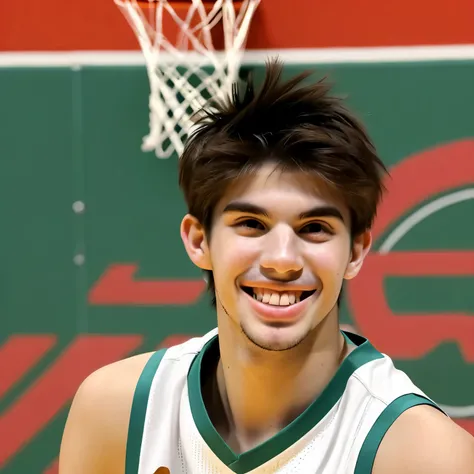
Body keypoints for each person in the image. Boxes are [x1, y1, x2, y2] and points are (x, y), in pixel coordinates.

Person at [59, 59, 474, 473]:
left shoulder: (422, 453)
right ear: (199, 240)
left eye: (314, 228)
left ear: (356, 251)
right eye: (251, 224)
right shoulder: (118, 413)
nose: (282, 261)